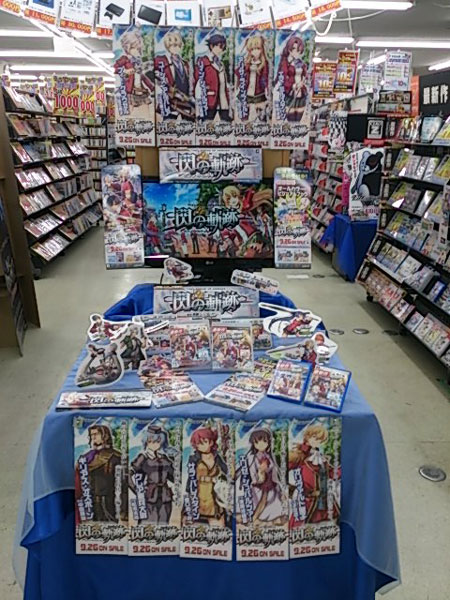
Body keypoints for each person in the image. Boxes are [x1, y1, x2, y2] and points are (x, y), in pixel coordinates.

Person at [288, 424, 340, 526]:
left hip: (323, 501)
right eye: (315, 438)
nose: (318, 441)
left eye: (320, 440)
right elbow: (284, 467)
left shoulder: (321, 458)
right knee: (298, 526)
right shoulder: (300, 455)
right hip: (306, 500)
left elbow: (331, 473)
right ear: (307, 437)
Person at [236, 429, 285, 525]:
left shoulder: (269, 456)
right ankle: (252, 518)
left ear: (268, 442)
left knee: (267, 500)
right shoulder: (252, 458)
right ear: (253, 444)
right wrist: (259, 474)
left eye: (264, 441)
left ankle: (256, 518)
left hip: (269, 483)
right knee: (257, 500)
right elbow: (251, 471)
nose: (261, 444)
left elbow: (273, 469)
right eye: (257, 442)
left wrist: (267, 470)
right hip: (258, 483)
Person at [75, 424, 122, 522]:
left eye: (96, 434)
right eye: (91, 435)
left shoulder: (115, 456)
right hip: (89, 499)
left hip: (107, 500)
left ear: (105, 436)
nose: (93, 437)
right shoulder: (86, 457)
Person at [129, 425, 175, 524]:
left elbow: (174, 477)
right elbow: (128, 474)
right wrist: (136, 490)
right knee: (147, 525)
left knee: (163, 525)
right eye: (150, 441)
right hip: (149, 497)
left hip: (165, 497)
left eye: (157, 441)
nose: (154, 444)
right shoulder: (143, 457)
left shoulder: (165, 458)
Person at [186, 427, 228, 525]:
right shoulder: (194, 459)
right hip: (199, 494)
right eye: (198, 443)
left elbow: (227, 471)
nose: (201, 445)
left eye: (204, 442)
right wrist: (188, 493)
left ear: (211, 442)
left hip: (213, 495)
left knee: (218, 525)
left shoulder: (217, 458)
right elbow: (190, 478)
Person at [154, 29, 194, 120]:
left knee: (187, 124)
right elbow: (152, 72)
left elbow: (189, 81)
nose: (174, 48)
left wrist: (190, 97)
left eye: (177, 45)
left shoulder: (185, 64)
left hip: (184, 100)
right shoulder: (162, 60)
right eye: (171, 45)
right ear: (167, 47)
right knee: (169, 124)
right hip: (170, 100)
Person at [195, 33, 231, 122]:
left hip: (222, 100)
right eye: (219, 46)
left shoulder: (220, 63)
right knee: (207, 122)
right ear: (211, 46)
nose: (221, 50)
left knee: (226, 123)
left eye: (223, 47)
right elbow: (197, 81)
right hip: (209, 100)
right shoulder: (203, 61)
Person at [114, 29, 152, 109]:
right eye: (134, 48)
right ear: (127, 48)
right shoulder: (125, 59)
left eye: (139, 49)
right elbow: (116, 67)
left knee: (146, 111)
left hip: (141, 91)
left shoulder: (138, 62)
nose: (137, 51)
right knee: (130, 111)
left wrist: (152, 87)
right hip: (130, 91)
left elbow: (143, 77)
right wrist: (125, 71)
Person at [276, 34, 308, 122]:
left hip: (301, 94)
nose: (297, 52)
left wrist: (303, 82)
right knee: (290, 118)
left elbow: (306, 76)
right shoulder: (285, 63)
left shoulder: (302, 63)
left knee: (298, 119)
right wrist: (293, 85)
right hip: (289, 94)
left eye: (299, 50)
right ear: (289, 49)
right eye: (295, 49)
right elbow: (282, 79)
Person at [239, 34, 270, 121]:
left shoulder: (265, 64)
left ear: (262, 49)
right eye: (252, 49)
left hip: (259, 92)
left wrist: (267, 89)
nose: (255, 51)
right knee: (245, 115)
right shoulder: (247, 63)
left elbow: (266, 78)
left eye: (258, 48)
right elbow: (240, 74)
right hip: (248, 91)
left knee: (261, 116)